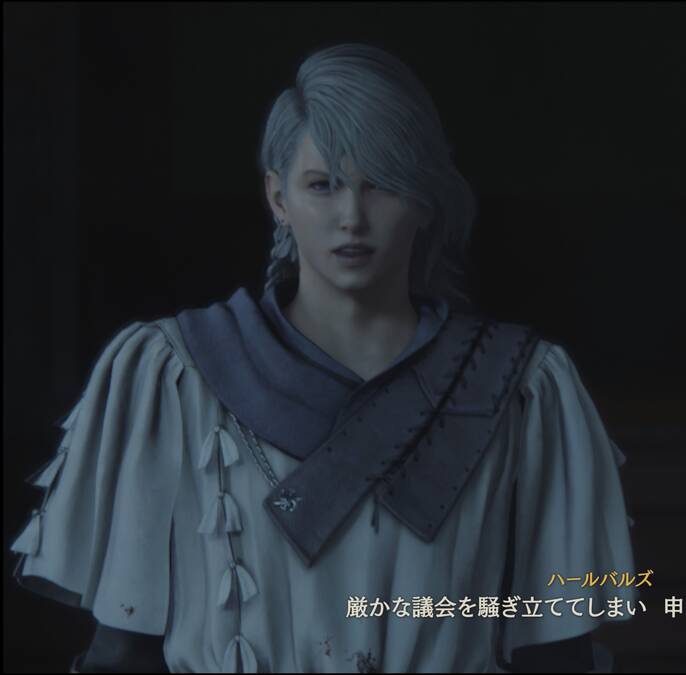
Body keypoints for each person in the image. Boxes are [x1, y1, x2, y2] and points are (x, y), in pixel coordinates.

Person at [10, 43, 636, 673]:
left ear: (425, 199)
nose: (352, 217)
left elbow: (557, 654)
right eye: (323, 185)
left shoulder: (524, 389)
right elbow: (124, 654)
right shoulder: (174, 376)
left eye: (381, 184)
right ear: (278, 197)